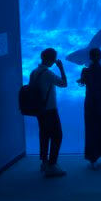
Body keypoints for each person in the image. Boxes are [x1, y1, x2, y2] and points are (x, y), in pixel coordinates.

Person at [30, 48, 67, 177]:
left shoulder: (34, 72)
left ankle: (44, 162)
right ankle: (52, 165)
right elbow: (64, 83)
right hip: (50, 110)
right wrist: (61, 68)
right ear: (51, 59)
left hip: (39, 110)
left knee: (44, 135)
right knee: (57, 135)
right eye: (54, 58)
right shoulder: (48, 73)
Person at [77, 48, 101, 169]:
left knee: (91, 128)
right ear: (100, 57)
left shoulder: (85, 71)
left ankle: (92, 157)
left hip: (91, 103)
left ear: (90, 57)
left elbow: (81, 83)